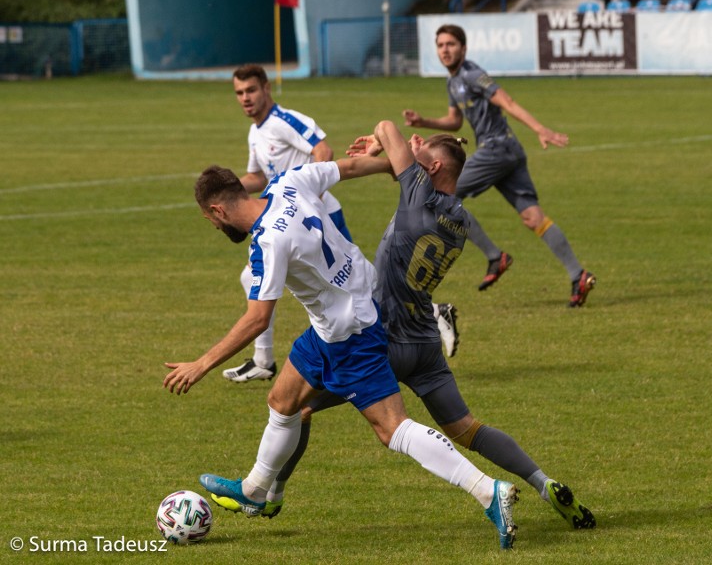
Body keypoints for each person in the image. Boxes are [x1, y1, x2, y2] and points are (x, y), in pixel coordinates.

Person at [210, 120, 596, 531]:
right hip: (424, 340)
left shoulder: (416, 200)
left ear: (428, 171)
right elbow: (410, 164)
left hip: (381, 338)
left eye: (422, 153)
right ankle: (543, 481)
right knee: (467, 428)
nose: (413, 152)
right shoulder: (460, 221)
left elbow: (387, 127)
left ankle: (269, 496)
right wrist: (416, 151)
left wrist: (385, 141)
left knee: (301, 406)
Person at [162, 151, 519, 549]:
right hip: (349, 311)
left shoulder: (266, 242)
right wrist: (396, 162)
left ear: (217, 210)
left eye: (209, 220)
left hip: (350, 334)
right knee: (283, 400)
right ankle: (256, 489)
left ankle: (488, 491)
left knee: (392, 428)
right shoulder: (289, 182)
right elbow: (348, 167)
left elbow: (257, 319)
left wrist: (202, 364)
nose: (213, 226)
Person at [223, 65, 459, 383]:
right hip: (296, 219)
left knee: (356, 288)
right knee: (353, 285)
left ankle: (430, 314)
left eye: (251, 90)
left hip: (315, 217)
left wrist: (308, 199)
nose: (245, 98)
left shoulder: (284, 121)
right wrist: (225, 193)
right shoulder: (257, 132)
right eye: (239, 93)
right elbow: (256, 177)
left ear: (266, 88)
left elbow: (323, 149)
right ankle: (263, 359)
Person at [402, 24, 596, 308]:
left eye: (451, 44)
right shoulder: (452, 82)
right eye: (441, 45)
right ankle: (578, 275)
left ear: (463, 48)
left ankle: (495, 256)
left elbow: (506, 101)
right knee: (533, 218)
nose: (445, 50)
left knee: (442, 197)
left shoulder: (471, 73)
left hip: (497, 149)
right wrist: (424, 122)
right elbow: (454, 121)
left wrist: (540, 129)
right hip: (508, 152)